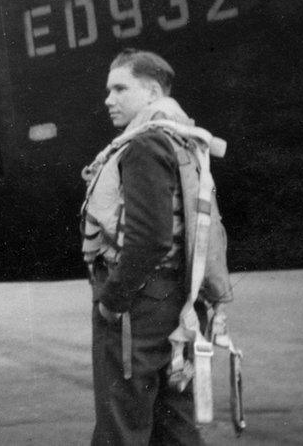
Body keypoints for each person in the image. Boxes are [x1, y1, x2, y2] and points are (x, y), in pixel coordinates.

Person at [81, 49, 203, 444]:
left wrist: (113, 299)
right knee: (173, 426)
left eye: (120, 89)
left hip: (139, 305)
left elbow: (150, 238)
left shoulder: (145, 145)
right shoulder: (181, 138)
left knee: (122, 426)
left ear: (151, 92)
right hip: (173, 297)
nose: (108, 99)